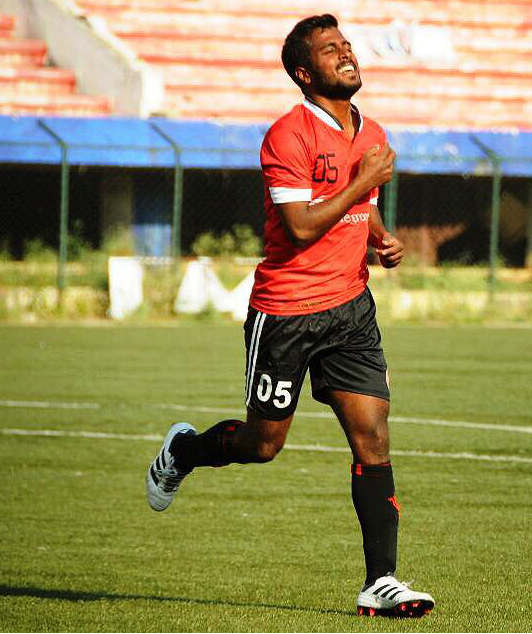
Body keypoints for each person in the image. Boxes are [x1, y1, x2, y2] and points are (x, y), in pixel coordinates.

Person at [145, 13, 435, 618]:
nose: (347, 53)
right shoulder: (287, 136)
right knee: (263, 444)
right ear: (305, 73)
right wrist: (364, 180)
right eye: (330, 49)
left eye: (346, 44)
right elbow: (301, 226)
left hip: (350, 309)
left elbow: (361, 207)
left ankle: (381, 581)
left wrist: (380, 238)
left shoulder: (372, 132)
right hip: (286, 314)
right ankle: (184, 452)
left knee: (373, 436)